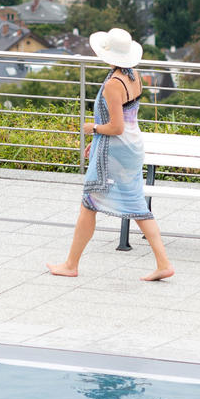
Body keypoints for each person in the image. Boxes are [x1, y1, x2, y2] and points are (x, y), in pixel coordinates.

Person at [47, 28, 174, 282]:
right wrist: (97, 142)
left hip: (115, 150)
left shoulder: (113, 84)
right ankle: (163, 263)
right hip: (130, 147)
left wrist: (93, 129)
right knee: (137, 206)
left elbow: (115, 127)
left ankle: (71, 265)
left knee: (89, 202)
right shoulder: (133, 75)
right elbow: (124, 121)